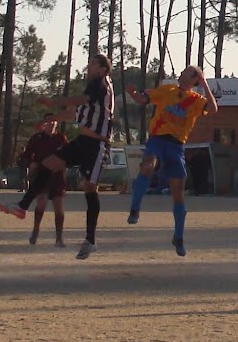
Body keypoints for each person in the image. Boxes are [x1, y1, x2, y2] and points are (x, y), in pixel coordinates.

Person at [126, 66, 218, 257]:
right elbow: (143, 99)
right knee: (148, 166)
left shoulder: (196, 100)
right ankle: (135, 209)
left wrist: (204, 82)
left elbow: (213, 108)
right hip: (158, 139)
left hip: (176, 146)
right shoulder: (167, 90)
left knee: (178, 192)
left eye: (187, 72)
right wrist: (133, 93)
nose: (181, 74)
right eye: (183, 71)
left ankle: (178, 236)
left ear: (194, 79)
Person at [43, 53, 116, 259]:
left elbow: (78, 102)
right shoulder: (91, 89)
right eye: (89, 63)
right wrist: (51, 118)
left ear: (102, 69)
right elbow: (72, 113)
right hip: (84, 141)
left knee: (90, 187)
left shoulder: (100, 85)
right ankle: (24, 204)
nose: (88, 66)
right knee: (54, 167)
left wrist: (53, 102)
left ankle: (90, 240)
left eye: (93, 64)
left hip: (97, 144)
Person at [0, 113, 64, 224]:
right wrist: (31, 163)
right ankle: (33, 226)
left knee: (58, 207)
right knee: (41, 201)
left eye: (54, 120)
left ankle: (22, 207)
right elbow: (26, 156)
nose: (52, 123)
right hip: (41, 171)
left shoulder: (61, 138)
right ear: (44, 123)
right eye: (49, 120)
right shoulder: (37, 138)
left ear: (57, 123)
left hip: (56, 175)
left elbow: (67, 155)